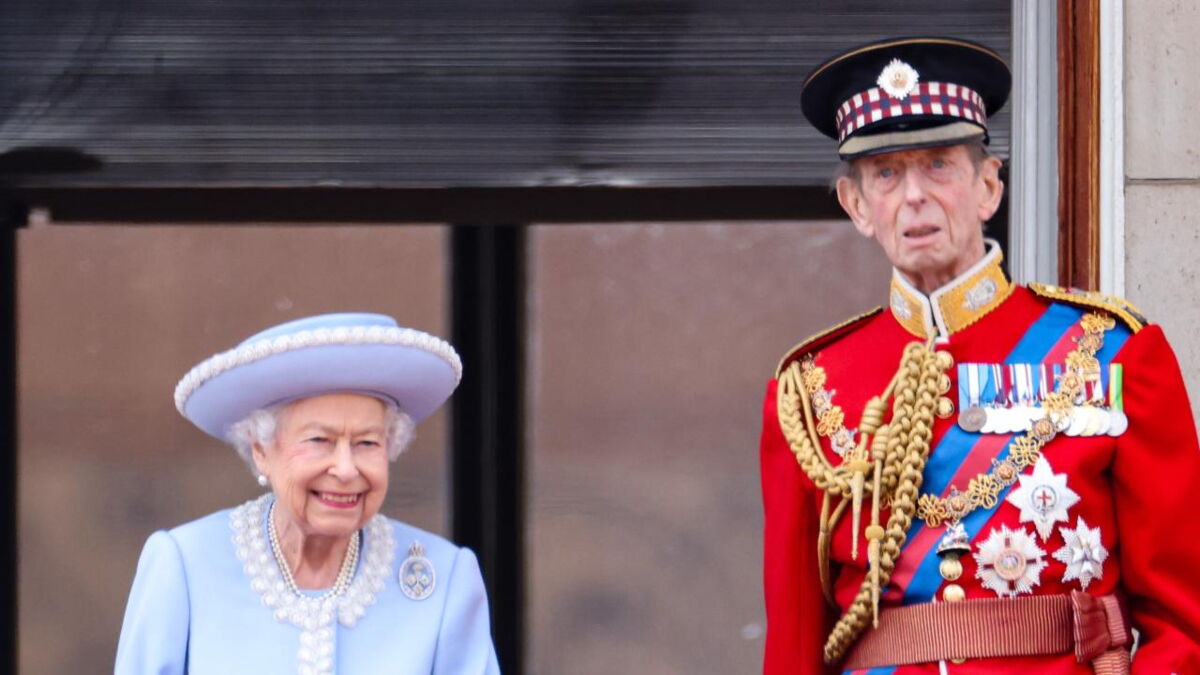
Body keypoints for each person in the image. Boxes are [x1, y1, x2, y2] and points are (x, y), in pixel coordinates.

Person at [759, 37, 1200, 674]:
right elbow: (795, 647)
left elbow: (1185, 623)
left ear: (988, 187)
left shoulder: (1112, 354)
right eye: (886, 174)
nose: (914, 196)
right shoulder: (808, 390)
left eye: (939, 165)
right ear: (857, 205)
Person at [115, 313, 501, 675]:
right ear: (261, 449)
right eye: (320, 440)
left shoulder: (445, 578)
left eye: (367, 443)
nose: (346, 469)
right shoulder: (185, 564)